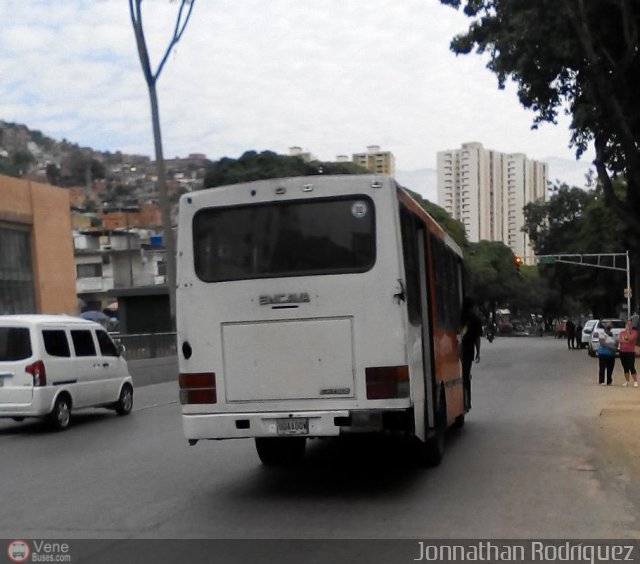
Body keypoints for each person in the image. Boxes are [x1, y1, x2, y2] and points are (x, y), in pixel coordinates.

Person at [460, 297, 482, 410]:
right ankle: (466, 401)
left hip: (455, 350)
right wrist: (478, 353)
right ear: (472, 306)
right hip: (468, 351)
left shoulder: (458, 316)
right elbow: (477, 338)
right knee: (466, 376)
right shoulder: (475, 319)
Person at [618, 319, 638, 387]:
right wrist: (626, 340)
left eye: (630, 325)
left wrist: (628, 332)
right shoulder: (621, 332)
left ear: (632, 325)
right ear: (625, 325)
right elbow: (618, 339)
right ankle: (627, 381)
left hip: (630, 352)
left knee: (631, 366)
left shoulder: (634, 332)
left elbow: (631, 338)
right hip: (622, 351)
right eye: (627, 324)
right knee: (625, 367)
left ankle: (635, 381)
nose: (629, 326)